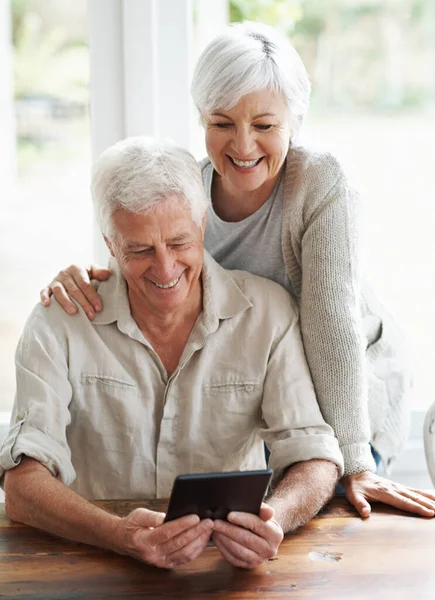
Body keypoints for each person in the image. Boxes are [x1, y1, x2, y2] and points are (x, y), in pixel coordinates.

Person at [39, 22, 435, 518]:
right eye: (222, 123)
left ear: (295, 121)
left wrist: (355, 460)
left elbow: (332, 321)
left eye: (265, 126)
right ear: (201, 116)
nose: (243, 145)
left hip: (350, 380)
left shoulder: (321, 181)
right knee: (256, 521)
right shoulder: (191, 190)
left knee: (331, 518)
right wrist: (83, 277)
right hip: (274, 381)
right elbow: (157, 259)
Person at [1, 137, 344, 570]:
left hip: (225, 568)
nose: (165, 270)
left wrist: (276, 519)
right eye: (140, 249)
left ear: (202, 223)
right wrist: (120, 535)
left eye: (179, 242)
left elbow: (314, 453)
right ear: (110, 241)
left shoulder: (269, 314)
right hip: (96, 561)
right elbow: (22, 486)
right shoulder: (59, 322)